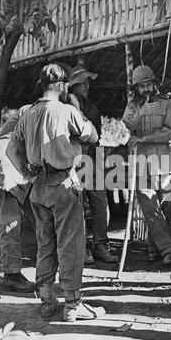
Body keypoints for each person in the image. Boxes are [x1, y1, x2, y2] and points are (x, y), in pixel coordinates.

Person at [11, 63, 105, 322]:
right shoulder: (66, 110)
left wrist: (27, 173)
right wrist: (75, 116)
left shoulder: (27, 114)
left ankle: (47, 301)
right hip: (62, 184)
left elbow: (11, 150)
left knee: (45, 245)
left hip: (37, 188)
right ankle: (73, 305)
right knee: (71, 245)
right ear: (63, 85)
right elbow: (93, 136)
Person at [122, 65, 171, 266]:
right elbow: (129, 125)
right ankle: (168, 249)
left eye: (148, 84)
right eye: (141, 86)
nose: (145, 89)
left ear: (154, 84)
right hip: (141, 162)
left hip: (163, 160)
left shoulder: (167, 104)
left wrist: (144, 137)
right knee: (149, 206)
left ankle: (154, 246)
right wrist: (142, 112)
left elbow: (169, 133)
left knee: (167, 206)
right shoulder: (132, 106)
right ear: (136, 89)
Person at [69, 65, 118, 264]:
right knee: (77, 205)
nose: (87, 85)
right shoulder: (66, 107)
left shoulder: (93, 109)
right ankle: (82, 247)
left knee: (100, 202)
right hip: (73, 159)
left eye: (88, 82)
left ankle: (100, 245)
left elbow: (95, 137)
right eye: (82, 82)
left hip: (92, 158)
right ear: (73, 85)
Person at [0, 105, 36, 293]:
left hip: (17, 166)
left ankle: (48, 267)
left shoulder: (39, 111)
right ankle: (12, 274)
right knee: (11, 220)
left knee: (38, 215)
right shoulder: (30, 111)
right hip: (5, 164)